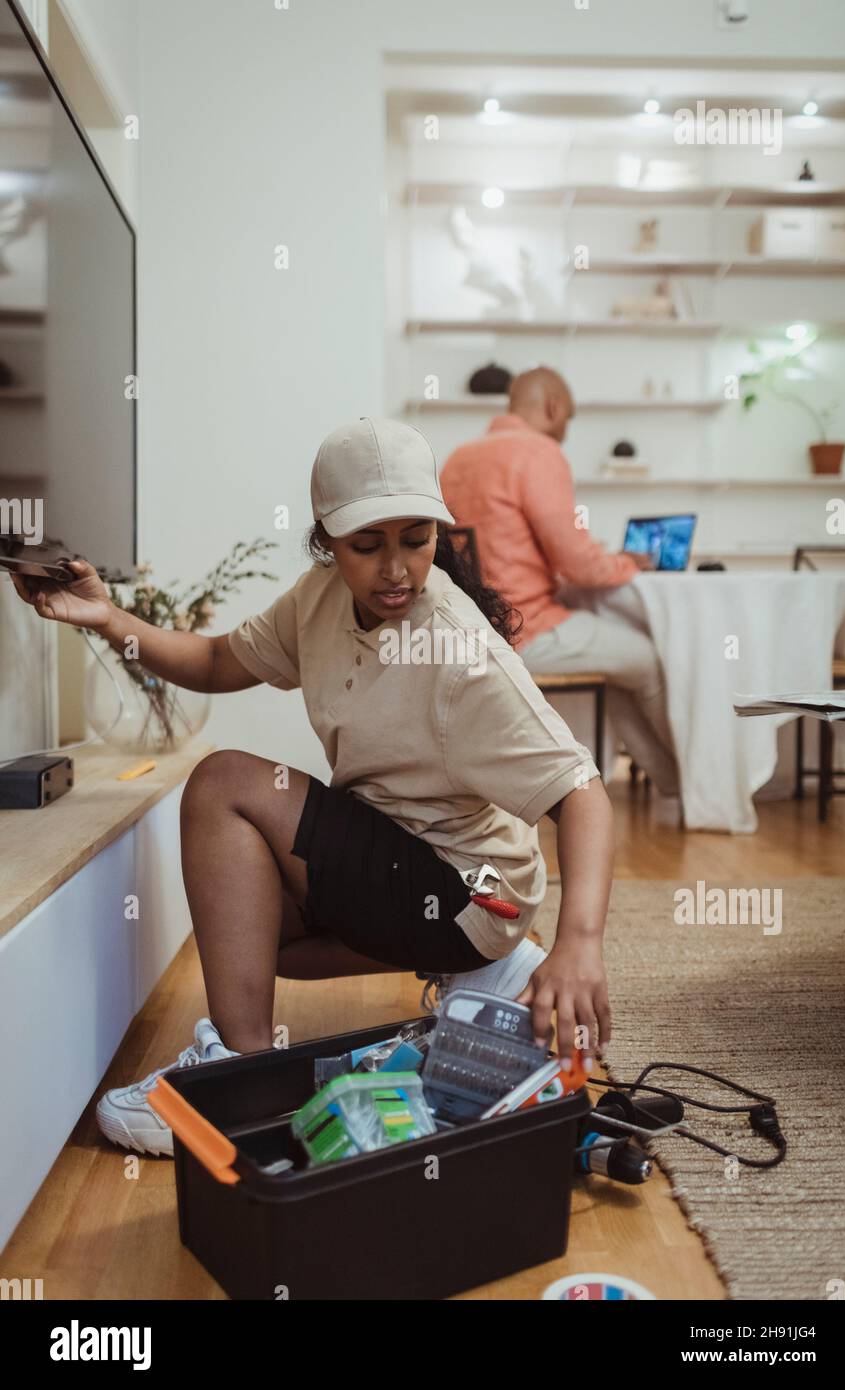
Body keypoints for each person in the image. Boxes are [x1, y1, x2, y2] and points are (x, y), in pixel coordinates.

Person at [12, 417, 614, 1157]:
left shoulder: (464, 659)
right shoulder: (319, 599)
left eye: (416, 539)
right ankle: (485, 974)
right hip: (421, 874)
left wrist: (579, 945)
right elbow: (212, 660)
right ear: (326, 539)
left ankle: (237, 1083)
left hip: (469, 892)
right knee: (261, 934)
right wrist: (105, 617)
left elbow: (583, 792)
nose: (397, 568)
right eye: (368, 544)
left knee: (224, 782)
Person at [440, 366, 680, 796]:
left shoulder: (459, 458)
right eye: (567, 419)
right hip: (526, 629)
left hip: (476, 634)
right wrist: (624, 562)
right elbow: (579, 565)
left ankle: (672, 782)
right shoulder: (538, 452)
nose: (565, 431)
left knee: (620, 666)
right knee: (646, 658)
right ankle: (686, 777)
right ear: (553, 408)